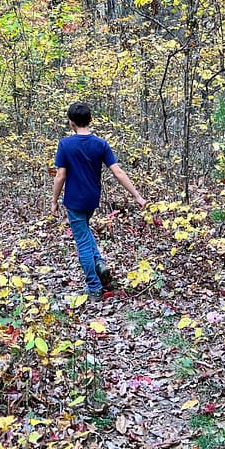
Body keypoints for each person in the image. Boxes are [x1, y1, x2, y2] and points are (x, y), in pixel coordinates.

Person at [51, 101, 146, 300]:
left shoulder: (66, 144)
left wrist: (54, 201)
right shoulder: (101, 144)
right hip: (92, 199)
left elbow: (60, 175)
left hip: (74, 201)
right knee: (85, 234)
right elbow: (118, 172)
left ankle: (93, 287)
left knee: (83, 243)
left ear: (71, 123)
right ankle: (100, 264)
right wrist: (137, 196)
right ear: (90, 120)